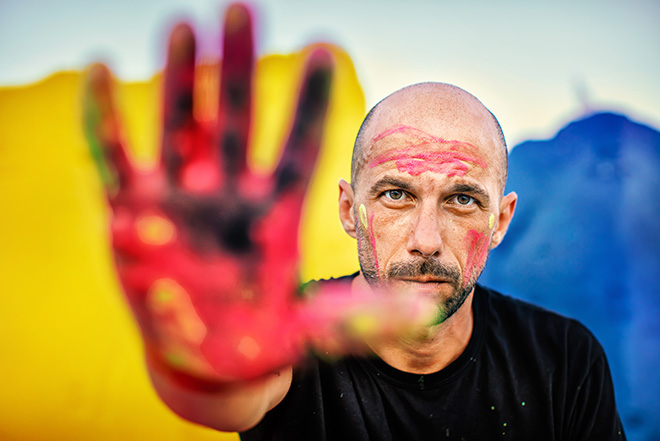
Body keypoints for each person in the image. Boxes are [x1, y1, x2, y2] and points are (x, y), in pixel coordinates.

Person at [83, 4, 625, 440]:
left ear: (501, 219)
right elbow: (228, 398)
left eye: (462, 200)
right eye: (395, 194)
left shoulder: (565, 360)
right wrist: (200, 361)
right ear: (349, 209)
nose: (426, 241)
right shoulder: (285, 332)